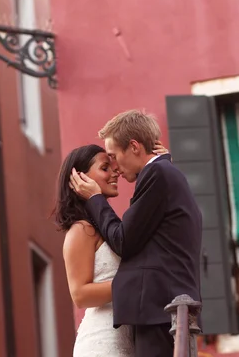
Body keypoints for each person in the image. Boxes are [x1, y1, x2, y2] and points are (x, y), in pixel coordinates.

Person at [69, 109, 202, 357]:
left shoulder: (158, 174)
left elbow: (124, 241)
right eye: (106, 165)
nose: (116, 169)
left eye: (114, 157)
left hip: (160, 309)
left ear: (134, 146)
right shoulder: (162, 173)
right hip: (157, 311)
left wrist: (96, 198)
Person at [54, 141, 169, 357]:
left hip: (128, 339)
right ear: (80, 178)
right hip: (102, 342)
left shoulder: (109, 227)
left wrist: (159, 165)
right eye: (105, 168)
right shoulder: (81, 230)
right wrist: (136, 281)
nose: (115, 172)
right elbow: (79, 294)